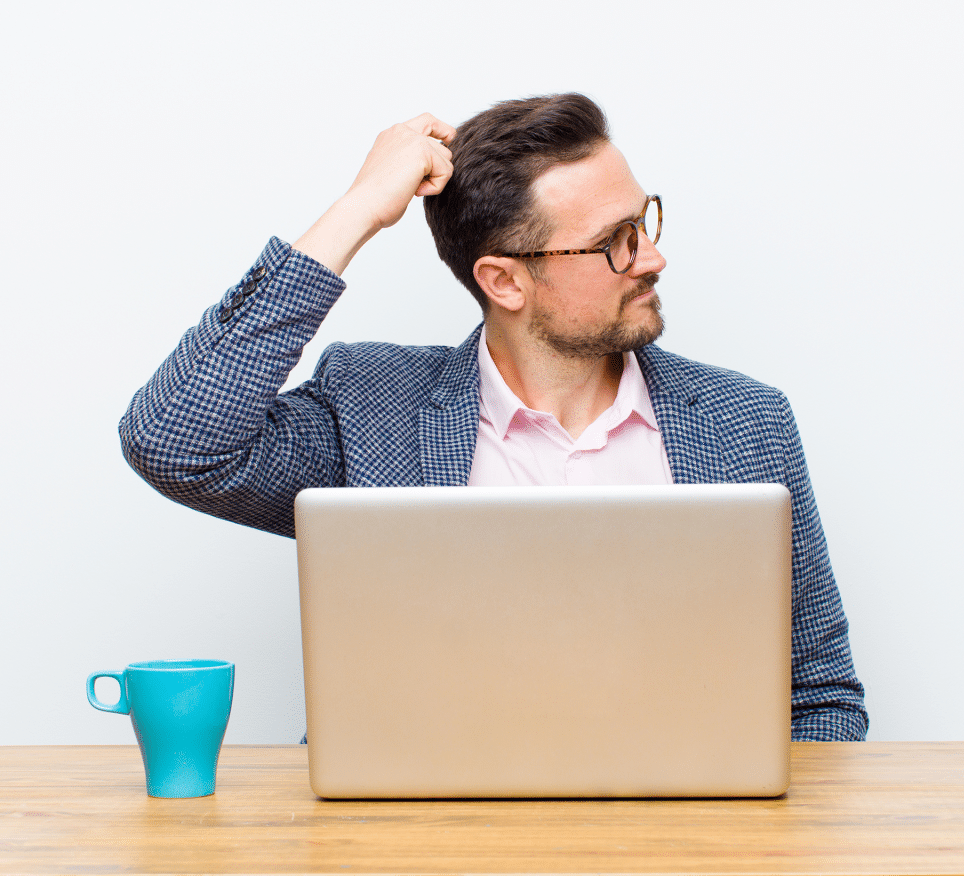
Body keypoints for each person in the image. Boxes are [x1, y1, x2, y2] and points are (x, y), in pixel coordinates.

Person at [120, 93, 868, 741]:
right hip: (425, 846)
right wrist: (356, 212)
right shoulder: (372, 409)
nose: (651, 260)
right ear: (504, 281)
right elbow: (175, 440)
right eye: (615, 242)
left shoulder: (746, 423)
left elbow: (821, 696)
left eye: (644, 224)